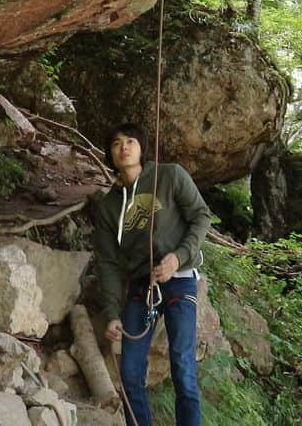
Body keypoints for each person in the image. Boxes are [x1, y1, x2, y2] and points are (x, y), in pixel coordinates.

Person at [94, 123, 211, 426]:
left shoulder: (170, 175)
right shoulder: (109, 205)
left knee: (183, 366)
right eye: (117, 143)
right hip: (141, 285)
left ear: (141, 147)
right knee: (130, 373)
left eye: (130, 141)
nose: (124, 147)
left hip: (180, 277)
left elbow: (201, 217)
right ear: (110, 153)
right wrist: (110, 312)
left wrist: (179, 257)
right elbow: (106, 262)